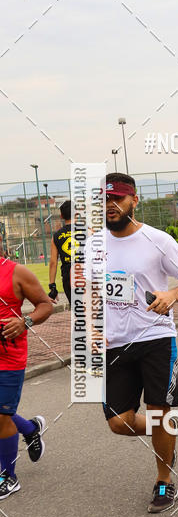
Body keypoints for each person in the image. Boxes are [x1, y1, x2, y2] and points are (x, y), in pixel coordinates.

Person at [98, 173, 178, 512]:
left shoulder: (158, 240)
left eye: (117, 199)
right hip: (115, 344)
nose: (110, 206)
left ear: (134, 200)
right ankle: (166, 434)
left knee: (160, 411)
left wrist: (172, 294)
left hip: (156, 337)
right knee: (119, 422)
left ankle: (164, 480)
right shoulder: (93, 244)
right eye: (104, 200)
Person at [0, 256, 53, 499]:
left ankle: (8, 476)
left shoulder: (16, 272)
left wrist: (25, 322)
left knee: (2, 416)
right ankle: (30, 429)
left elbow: (45, 305)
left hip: (9, 358)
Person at [48, 200, 72, 306]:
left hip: (68, 276)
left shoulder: (56, 236)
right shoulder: (88, 232)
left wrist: (52, 286)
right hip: (87, 274)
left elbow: (53, 262)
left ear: (61, 216)